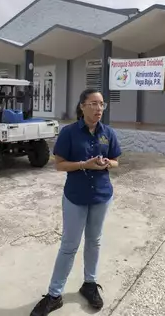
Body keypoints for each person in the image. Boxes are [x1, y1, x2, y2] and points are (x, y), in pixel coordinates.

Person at [30, 88, 121, 316]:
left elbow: (117, 161)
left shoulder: (108, 133)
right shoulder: (69, 132)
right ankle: (54, 294)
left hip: (101, 196)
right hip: (75, 197)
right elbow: (59, 164)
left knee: (94, 241)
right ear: (82, 106)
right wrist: (84, 164)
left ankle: (89, 284)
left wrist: (106, 163)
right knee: (69, 246)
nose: (99, 108)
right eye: (93, 103)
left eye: (102, 104)